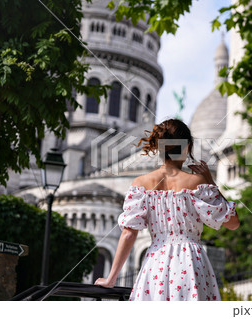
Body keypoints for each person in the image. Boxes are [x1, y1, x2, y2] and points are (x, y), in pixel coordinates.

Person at [94, 118, 240, 301]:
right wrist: (211, 182)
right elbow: (233, 223)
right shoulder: (197, 183)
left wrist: (111, 279)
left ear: (158, 147)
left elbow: (128, 234)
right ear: (187, 148)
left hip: (156, 264)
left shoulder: (141, 184)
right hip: (191, 264)